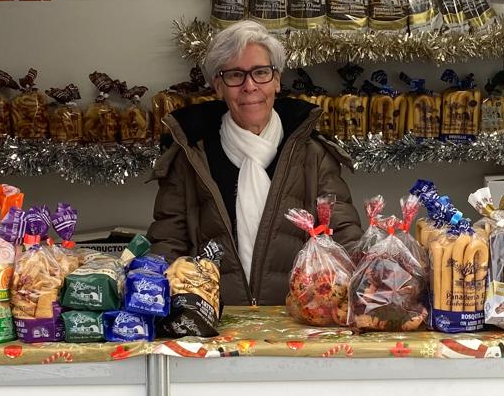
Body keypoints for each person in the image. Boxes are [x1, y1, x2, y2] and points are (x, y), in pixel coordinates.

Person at [149, 20, 360, 307]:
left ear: (277, 80)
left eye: (261, 72)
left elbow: (344, 236)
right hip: (214, 323)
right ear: (219, 86)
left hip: (299, 321)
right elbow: (168, 243)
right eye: (235, 75)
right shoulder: (191, 157)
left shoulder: (312, 154)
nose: (250, 86)